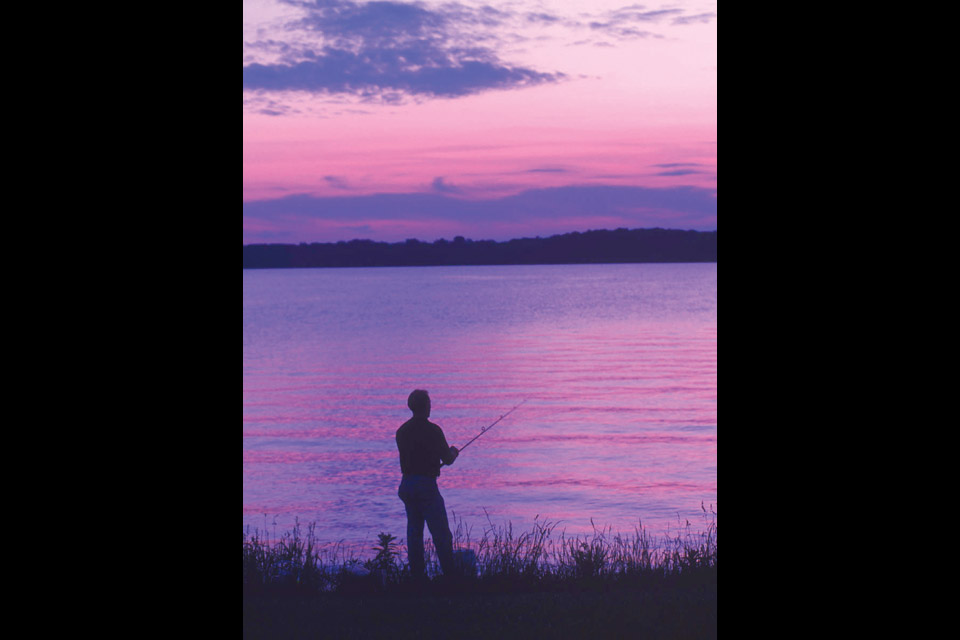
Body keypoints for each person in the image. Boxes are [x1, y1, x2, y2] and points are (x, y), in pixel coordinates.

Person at [395, 389, 459, 579]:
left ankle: (417, 577)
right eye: (429, 404)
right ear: (425, 406)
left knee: (414, 534)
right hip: (426, 486)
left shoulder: (402, 431)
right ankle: (450, 576)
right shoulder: (433, 430)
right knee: (441, 534)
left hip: (407, 484)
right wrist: (454, 452)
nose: (431, 407)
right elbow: (446, 458)